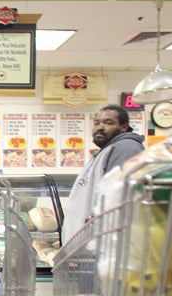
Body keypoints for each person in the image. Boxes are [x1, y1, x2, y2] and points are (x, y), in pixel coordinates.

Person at [60, 104, 145, 246]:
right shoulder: (108, 150)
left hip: (106, 245)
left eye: (108, 123)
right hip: (92, 244)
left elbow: (119, 197)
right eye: (97, 123)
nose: (100, 127)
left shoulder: (126, 148)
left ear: (124, 127)